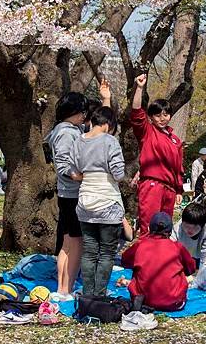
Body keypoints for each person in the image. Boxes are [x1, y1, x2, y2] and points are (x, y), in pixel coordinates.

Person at [46, 80, 111, 299]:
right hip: (73, 195)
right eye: (83, 112)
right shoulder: (65, 133)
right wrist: (85, 177)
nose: (85, 116)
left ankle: (62, 288)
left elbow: (98, 126)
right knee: (76, 243)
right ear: (74, 112)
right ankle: (66, 289)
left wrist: (106, 99)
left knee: (67, 242)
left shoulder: (68, 129)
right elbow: (65, 166)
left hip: (68, 194)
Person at [70, 106, 125, 296]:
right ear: (109, 124)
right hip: (107, 200)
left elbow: (73, 171)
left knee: (89, 251)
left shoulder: (78, 142)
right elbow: (118, 174)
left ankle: (87, 293)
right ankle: (99, 294)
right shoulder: (110, 141)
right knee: (107, 253)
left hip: (85, 201)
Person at [130, 74, 184, 234]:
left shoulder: (176, 140)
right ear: (151, 117)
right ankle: (145, 257)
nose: (162, 119)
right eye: (158, 115)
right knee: (148, 226)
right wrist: (139, 88)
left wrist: (179, 190)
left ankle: (161, 257)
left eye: (166, 115)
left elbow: (179, 167)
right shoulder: (148, 131)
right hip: (152, 185)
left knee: (165, 229)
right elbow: (136, 114)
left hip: (170, 189)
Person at [121, 212, 196, 311]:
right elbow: (191, 269)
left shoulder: (140, 245)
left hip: (143, 302)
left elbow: (125, 262)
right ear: (170, 231)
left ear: (149, 229)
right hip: (174, 302)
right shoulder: (177, 247)